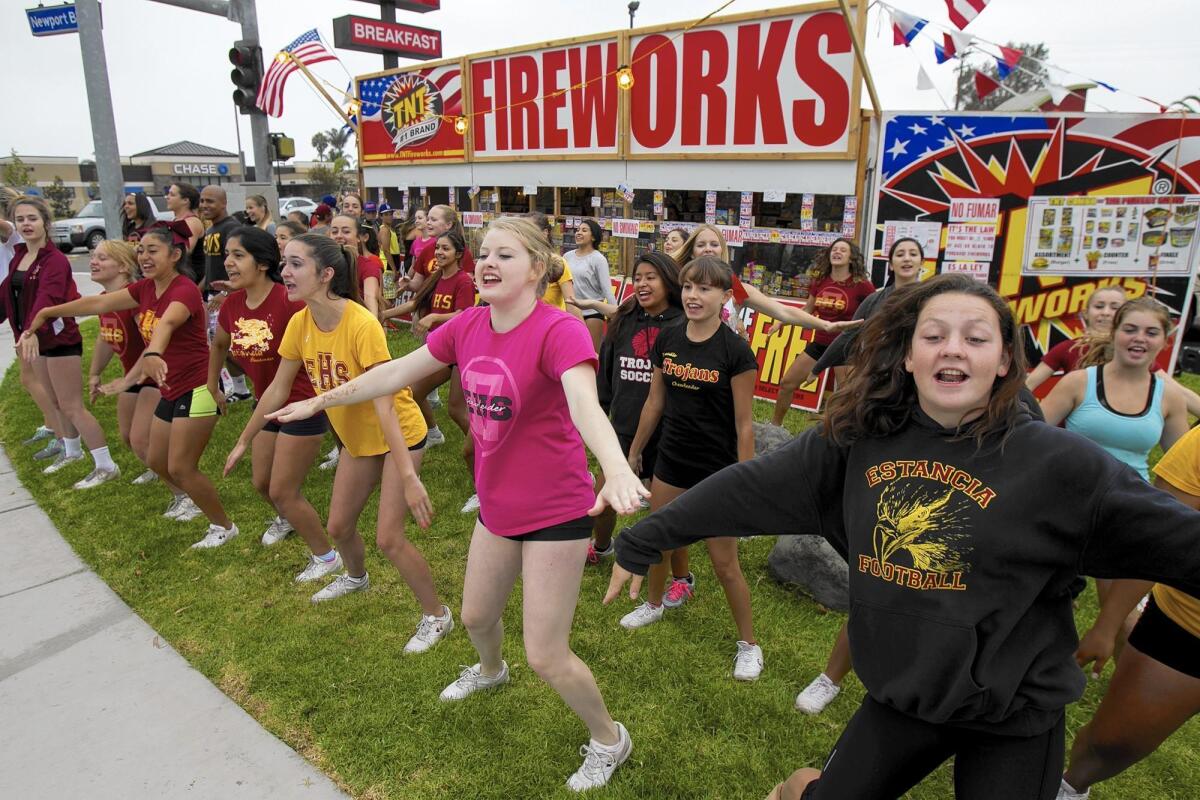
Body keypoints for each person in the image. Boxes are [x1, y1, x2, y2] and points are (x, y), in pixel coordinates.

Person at [605, 272, 1200, 800]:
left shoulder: (1060, 466)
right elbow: (747, 488)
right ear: (909, 356)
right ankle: (797, 789)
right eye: (934, 334)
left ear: (1004, 363)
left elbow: (1177, 537)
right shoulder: (852, 442)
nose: (953, 348)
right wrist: (645, 537)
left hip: (1015, 710)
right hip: (905, 695)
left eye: (976, 337)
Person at [270, 217, 646, 791]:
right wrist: (317, 401)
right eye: (485, 254)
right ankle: (491, 671)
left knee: (546, 655)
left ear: (539, 269)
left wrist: (616, 468)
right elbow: (394, 372)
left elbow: (583, 404)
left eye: (506, 255)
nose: (487, 263)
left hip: (557, 511)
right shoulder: (468, 325)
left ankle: (609, 738)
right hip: (496, 505)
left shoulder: (560, 330)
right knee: (474, 617)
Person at [249, 233, 451, 655]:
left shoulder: (361, 323)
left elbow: (385, 405)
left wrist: (409, 475)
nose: (284, 271)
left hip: (399, 434)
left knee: (389, 538)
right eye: (284, 263)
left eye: (295, 264)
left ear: (325, 275)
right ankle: (355, 578)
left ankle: (437, 616)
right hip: (357, 441)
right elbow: (277, 389)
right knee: (339, 527)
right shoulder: (300, 323)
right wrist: (242, 440)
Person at [26, 221, 240, 544]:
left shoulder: (183, 290)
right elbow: (98, 303)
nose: (144, 257)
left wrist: (153, 352)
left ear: (175, 254)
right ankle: (195, 505)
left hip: (198, 389)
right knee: (156, 459)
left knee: (181, 467)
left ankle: (224, 527)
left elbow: (167, 323)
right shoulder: (144, 289)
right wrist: (48, 312)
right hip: (171, 389)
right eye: (141, 250)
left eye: (153, 250)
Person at [795, 236, 927, 715]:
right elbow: (849, 341)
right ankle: (831, 678)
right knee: (875, 577)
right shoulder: (874, 304)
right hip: (875, 452)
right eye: (900, 254)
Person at [615, 255, 763, 680]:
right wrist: (635, 452)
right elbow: (655, 401)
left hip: (717, 470)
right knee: (658, 538)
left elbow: (744, 425)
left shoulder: (735, 351)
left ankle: (749, 645)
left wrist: (746, 482)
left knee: (723, 563)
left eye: (705, 289)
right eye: (689, 287)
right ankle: (654, 603)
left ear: (724, 296)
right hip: (672, 460)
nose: (694, 296)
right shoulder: (669, 338)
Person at [1057, 425, 1200, 800]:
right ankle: (1068, 788)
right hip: (1187, 628)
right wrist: (1107, 626)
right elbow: (1159, 543)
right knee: (1110, 745)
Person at [207, 227, 338, 573]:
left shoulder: (289, 301)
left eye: (238, 255)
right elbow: (219, 344)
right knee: (262, 483)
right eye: (227, 256)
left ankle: (326, 557)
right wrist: (213, 385)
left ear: (262, 263)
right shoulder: (232, 304)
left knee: (283, 490)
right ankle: (289, 518)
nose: (229, 263)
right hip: (267, 402)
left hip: (300, 403)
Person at [6, 196, 120, 489]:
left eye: (32, 218)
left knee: (72, 405)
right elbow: (9, 296)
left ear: (45, 222)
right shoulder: (20, 255)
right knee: (55, 401)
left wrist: (30, 331)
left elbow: (48, 299)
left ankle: (106, 465)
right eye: (21, 220)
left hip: (58, 339)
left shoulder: (54, 260)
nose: (26, 224)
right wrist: (26, 333)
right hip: (35, 340)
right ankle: (72, 452)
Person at [588, 251, 683, 564]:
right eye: (638, 278)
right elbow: (606, 372)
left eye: (650, 277)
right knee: (603, 500)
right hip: (624, 428)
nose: (642, 284)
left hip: (670, 434)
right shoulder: (624, 318)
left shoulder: (685, 324)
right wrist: (600, 410)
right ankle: (602, 546)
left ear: (668, 282)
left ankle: (673, 573)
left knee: (669, 513)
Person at [381, 229, 474, 451]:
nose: (439, 252)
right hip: (440, 350)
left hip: (461, 350)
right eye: (437, 248)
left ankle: (483, 448)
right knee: (412, 391)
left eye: (445, 248)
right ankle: (433, 433)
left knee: (456, 409)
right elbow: (414, 303)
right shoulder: (436, 277)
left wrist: (434, 316)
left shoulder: (463, 281)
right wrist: (383, 315)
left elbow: (465, 314)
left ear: (459, 254)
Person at [771, 237, 874, 426]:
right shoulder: (820, 281)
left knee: (847, 394)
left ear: (851, 258)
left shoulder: (862, 285)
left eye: (843, 250)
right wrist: (782, 322)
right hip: (820, 343)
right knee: (787, 383)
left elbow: (875, 312)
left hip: (846, 346)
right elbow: (807, 311)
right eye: (834, 249)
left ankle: (842, 434)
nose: (837, 252)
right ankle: (775, 427)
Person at [85, 239, 163, 487]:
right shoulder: (105, 299)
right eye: (93, 256)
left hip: (155, 376)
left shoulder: (136, 298)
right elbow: (106, 336)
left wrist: (126, 381)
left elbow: (153, 342)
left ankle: (184, 495)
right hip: (133, 375)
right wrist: (94, 373)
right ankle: (156, 467)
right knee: (128, 436)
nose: (93, 262)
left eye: (102, 258)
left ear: (123, 267)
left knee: (141, 439)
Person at [196, 186, 250, 402]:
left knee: (230, 347)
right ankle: (241, 390)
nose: (204, 206)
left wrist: (226, 294)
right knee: (220, 345)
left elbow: (241, 266)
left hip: (227, 296)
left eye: (210, 201)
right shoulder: (209, 230)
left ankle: (253, 383)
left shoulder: (232, 229)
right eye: (201, 201)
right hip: (211, 296)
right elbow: (211, 268)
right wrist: (196, 291)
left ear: (223, 202)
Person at [1026, 286, 1126, 391]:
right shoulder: (1068, 348)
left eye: (1115, 308)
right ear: (1085, 313)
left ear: (1126, 314)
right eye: (1099, 306)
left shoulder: (1132, 349)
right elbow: (1028, 385)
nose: (1106, 312)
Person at [399, 204, 475, 296]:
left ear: (448, 224)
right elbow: (417, 283)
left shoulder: (461, 251)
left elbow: (467, 284)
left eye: (433, 220)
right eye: (428, 219)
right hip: (428, 307)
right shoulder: (426, 250)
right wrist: (408, 284)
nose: (428, 223)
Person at [565, 218, 616, 351]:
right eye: (577, 230)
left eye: (584, 230)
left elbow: (607, 290)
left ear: (593, 237)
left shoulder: (598, 259)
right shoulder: (567, 256)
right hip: (570, 312)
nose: (578, 233)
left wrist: (616, 314)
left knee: (591, 354)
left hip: (592, 314)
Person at [528, 212, 582, 319]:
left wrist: (582, 332)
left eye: (530, 230)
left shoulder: (556, 263)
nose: (525, 234)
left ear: (545, 233)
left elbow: (571, 304)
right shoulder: (517, 261)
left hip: (551, 326)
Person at [329, 214, 381, 319]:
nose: (339, 235)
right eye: (334, 232)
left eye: (346, 232)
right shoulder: (322, 264)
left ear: (359, 237)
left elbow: (370, 298)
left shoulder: (368, 266)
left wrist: (373, 324)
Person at [166, 182, 204, 254]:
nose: (167, 197)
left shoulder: (192, 222)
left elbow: (185, 251)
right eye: (168, 193)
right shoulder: (176, 220)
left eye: (172, 195)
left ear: (185, 200)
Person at [399, 206, 429, 276]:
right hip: (412, 267)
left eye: (420, 218)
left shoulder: (407, 229)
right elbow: (414, 262)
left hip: (405, 263)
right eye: (416, 218)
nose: (417, 221)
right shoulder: (417, 232)